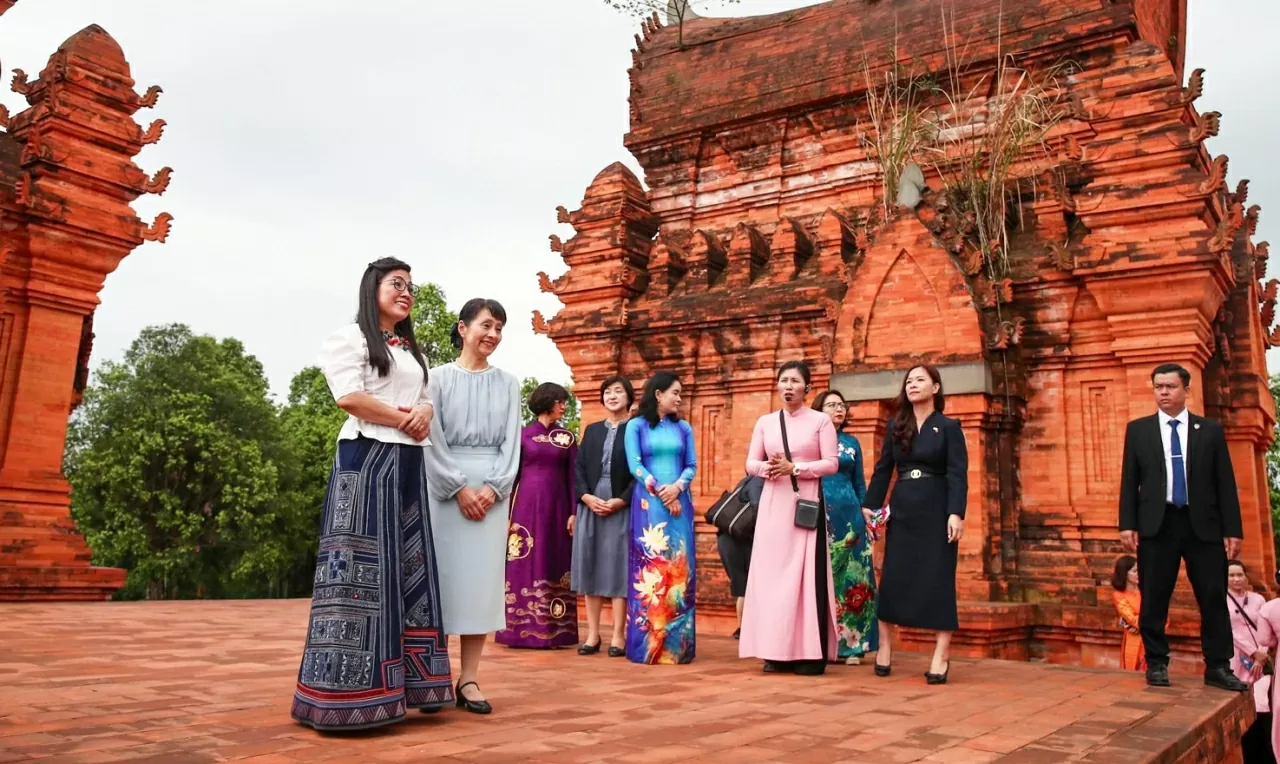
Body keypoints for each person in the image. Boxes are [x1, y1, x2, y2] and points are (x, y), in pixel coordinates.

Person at [292, 258, 453, 731]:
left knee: (409, 567)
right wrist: (407, 418)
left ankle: (412, 687)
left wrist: (424, 412)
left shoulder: (411, 350)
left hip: (408, 461)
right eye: (396, 284)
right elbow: (349, 397)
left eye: (411, 286)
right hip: (366, 459)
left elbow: (425, 399)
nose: (406, 292)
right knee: (359, 570)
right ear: (372, 289)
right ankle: (344, 695)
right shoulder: (350, 338)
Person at [1118, 362, 1247, 692]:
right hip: (1157, 524)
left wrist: (1233, 529)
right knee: (1155, 594)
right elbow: (1129, 480)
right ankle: (1157, 662)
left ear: (1186, 390)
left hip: (1202, 524)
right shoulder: (1139, 430)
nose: (1163, 392)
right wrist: (1127, 524)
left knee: (1213, 595)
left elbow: (1225, 482)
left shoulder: (1210, 431)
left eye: (1170, 386)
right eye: (1158, 387)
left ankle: (1218, 665)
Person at [423, 298, 522, 714]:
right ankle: (432, 678)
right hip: (444, 488)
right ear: (463, 328)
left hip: (492, 491)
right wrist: (457, 487)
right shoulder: (436, 378)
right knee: (442, 580)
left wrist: (494, 489)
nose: (493, 335)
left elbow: (512, 443)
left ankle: (469, 678)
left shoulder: (509, 383)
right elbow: (431, 436)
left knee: (481, 584)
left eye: (499, 328)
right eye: (486, 325)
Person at [863, 364, 967, 684]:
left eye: (920, 380)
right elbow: (884, 469)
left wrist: (956, 512)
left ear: (935, 387)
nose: (912, 385)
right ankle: (885, 646)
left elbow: (957, 473)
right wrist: (870, 505)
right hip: (904, 507)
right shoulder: (897, 426)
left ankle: (941, 654)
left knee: (939, 577)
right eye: (909, 381)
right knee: (894, 575)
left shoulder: (948, 427)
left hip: (937, 508)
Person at [740, 361, 840, 675]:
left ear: (806, 387)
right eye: (783, 380)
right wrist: (768, 469)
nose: (788, 386)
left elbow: (831, 463)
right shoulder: (766, 422)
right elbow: (750, 463)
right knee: (772, 578)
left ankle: (809, 655)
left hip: (804, 506)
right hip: (773, 506)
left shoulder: (821, 421)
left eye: (795, 381)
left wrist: (795, 468)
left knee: (806, 576)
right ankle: (775, 652)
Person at [495, 383, 578, 649]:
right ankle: (517, 629)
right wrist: (506, 515)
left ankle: (556, 630)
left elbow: (573, 478)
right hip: (525, 508)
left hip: (557, 509)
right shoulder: (522, 436)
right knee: (522, 561)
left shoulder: (567, 438)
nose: (564, 406)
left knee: (555, 560)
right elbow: (512, 478)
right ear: (546, 401)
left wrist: (574, 513)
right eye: (559, 401)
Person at [624, 371, 697, 664]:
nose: (679, 398)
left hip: (681, 502)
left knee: (680, 565)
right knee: (651, 567)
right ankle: (646, 646)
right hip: (649, 504)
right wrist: (660, 491)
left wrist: (677, 488)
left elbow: (691, 465)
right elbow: (635, 466)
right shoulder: (636, 426)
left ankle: (677, 647)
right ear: (658, 394)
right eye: (675, 393)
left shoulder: (684, 428)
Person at [571, 376, 637, 658]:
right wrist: (586, 497)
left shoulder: (636, 429)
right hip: (591, 503)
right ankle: (593, 633)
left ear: (629, 397)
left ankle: (619, 634)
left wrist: (622, 500)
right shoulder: (593, 430)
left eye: (618, 391)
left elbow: (640, 471)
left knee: (618, 566)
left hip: (620, 504)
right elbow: (579, 468)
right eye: (607, 392)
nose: (612, 396)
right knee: (590, 564)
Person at [813, 389, 876, 664]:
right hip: (819, 514)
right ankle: (822, 643)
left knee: (854, 578)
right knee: (822, 576)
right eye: (831, 405)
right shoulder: (811, 440)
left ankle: (853, 645)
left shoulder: (852, 442)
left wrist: (866, 511)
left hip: (850, 517)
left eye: (842, 405)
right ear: (819, 410)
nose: (839, 409)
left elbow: (859, 482)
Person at [714, 475, 763, 640]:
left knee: (745, 586)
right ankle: (743, 629)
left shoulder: (747, 480)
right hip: (736, 542)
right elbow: (758, 508)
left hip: (732, 539)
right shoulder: (758, 481)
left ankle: (744, 628)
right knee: (746, 586)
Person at [1111, 555, 1145, 672]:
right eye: (1135, 571)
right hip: (1133, 639)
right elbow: (1131, 619)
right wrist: (1152, 621)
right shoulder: (1119, 595)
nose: (1139, 573)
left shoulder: (1146, 591)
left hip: (1152, 639)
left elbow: (1163, 616)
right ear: (1124, 573)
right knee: (1132, 673)